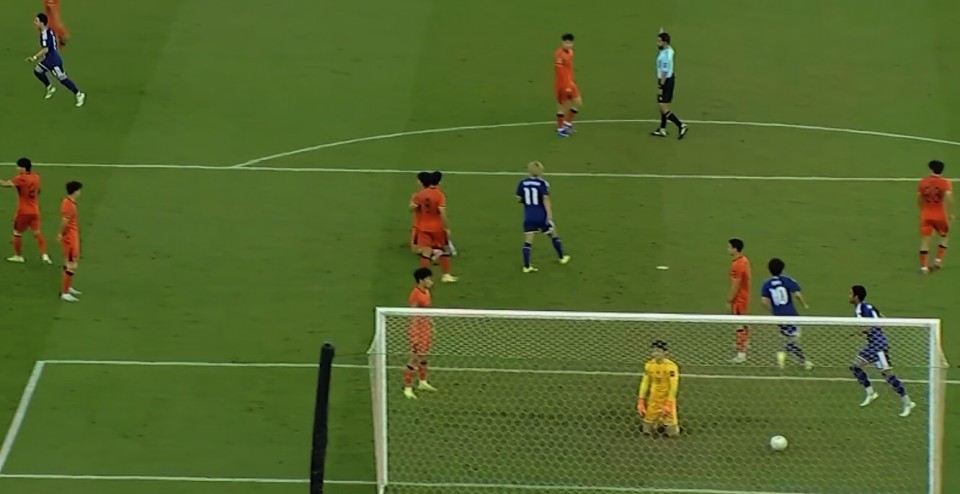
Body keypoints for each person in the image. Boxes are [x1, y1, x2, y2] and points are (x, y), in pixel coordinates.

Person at [848, 285, 915, 417]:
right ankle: (871, 393)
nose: (849, 296)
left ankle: (907, 402)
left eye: (850, 294)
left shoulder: (860, 309)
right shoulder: (870, 307)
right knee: (855, 366)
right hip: (874, 345)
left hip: (878, 347)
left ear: (856, 297)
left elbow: (867, 326)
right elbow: (883, 320)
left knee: (887, 375)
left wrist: (861, 331)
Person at [516, 161, 570, 272]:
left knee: (528, 241)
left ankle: (527, 266)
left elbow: (519, 198)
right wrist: (549, 215)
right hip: (541, 215)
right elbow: (546, 200)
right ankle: (562, 257)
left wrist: (527, 203)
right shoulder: (543, 183)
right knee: (553, 234)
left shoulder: (522, 183)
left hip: (529, 216)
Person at [760, 258, 811, 369]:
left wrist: (774, 311)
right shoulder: (787, 280)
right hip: (791, 314)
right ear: (782, 269)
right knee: (794, 337)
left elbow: (764, 302)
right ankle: (784, 353)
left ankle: (803, 361)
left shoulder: (766, 284)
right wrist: (804, 304)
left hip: (779, 316)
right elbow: (797, 294)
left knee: (789, 337)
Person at [0, 158, 51, 264]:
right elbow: (38, 191)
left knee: (17, 233)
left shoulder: (21, 178)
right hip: (35, 210)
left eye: (18, 167)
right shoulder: (36, 177)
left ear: (23, 168)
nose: (17, 169)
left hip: (23, 211)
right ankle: (45, 255)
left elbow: (4, 184)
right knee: (37, 233)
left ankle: (18, 256)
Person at [27, 13, 85, 107]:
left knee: (63, 79)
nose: (34, 23)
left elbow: (45, 49)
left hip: (54, 61)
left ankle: (79, 94)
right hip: (49, 59)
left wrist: (34, 57)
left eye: (36, 21)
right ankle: (50, 87)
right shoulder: (48, 30)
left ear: (42, 23)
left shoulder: (44, 35)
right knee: (38, 71)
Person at [411, 172, 457, 282]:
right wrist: (446, 227)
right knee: (445, 250)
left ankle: (424, 278)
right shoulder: (439, 195)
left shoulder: (420, 194)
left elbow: (412, 208)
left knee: (426, 252)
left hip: (423, 227)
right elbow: (442, 212)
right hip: (437, 228)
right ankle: (446, 275)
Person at [404, 267, 437, 399]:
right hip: (417, 330)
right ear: (421, 280)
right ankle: (407, 388)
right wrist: (414, 336)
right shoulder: (415, 294)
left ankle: (422, 382)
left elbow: (427, 310)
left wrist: (431, 324)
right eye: (428, 279)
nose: (431, 281)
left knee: (423, 357)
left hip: (425, 328)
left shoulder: (426, 292)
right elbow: (413, 315)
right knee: (414, 358)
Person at [637, 340, 680, 437]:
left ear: (665, 352)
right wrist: (641, 400)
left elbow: (674, 385)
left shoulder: (671, 366)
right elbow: (645, 382)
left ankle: (664, 424)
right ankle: (657, 424)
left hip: (666, 398)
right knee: (647, 430)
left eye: (659, 351)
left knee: (672, 433)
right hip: (654, 399)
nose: (656, 354)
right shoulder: (649, 365)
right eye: (654, 351)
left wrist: (669, 403)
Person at [917, 160, 953, 273]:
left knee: (925, 240)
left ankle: (924, 267)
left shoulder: (923, 182)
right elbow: (949, 197)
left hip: (926, 214)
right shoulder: (945, 182)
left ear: (931, 169)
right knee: (944, 236)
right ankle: (938, 261)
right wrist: (951, 213)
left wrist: (922, 209)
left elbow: (919, 197)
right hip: (940, 215)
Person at [650, 29, 687, 139]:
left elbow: (664, 72)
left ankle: (681, 125)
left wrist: (660, 86)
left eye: (659, 41)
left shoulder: (665, 56)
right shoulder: (669, 50)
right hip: (669, 80)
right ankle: (662, 129)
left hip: (665, 81)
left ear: (665, 42)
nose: (657, 43)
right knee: (663, 105)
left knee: (662, 106)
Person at [727, 238, 751, 363]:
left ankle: (741, 354)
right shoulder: (744, 260)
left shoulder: (736, 265)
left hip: (739, 299)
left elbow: (735, 284)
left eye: (729, 247)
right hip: (745, 296)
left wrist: (729, 299)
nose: (728, 249)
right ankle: (745, 343)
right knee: (743, 322)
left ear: (735, 249)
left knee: (739, 325)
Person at [59, 181, 83, 302]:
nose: (80, 192)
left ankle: (67, 287)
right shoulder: (69, 205)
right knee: (72, 265)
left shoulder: (68, 201)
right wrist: (61, 233)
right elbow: (65, 221)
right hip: (70, 238)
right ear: (75, 191)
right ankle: (65, 293)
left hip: (72, 235)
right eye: (79, 190)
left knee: (70, 262)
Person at [554, 33, 582, 138]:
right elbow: (560, 72)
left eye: (569, 43)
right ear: (562, 43)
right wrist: (566, 85)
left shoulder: (571, 52)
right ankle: (560, 129)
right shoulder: (559, 55)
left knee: (577, 102)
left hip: (570, 82)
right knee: (563, 106)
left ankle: (567, 123)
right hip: (562, 85)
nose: (568, 44)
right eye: (566, 42)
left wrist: (571, 81)